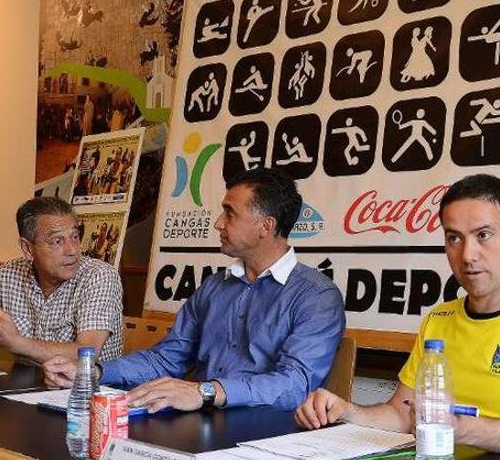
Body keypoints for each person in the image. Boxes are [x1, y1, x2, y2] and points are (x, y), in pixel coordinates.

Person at [295, 174, 500, 460]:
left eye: (483, 235)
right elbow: (403, 414)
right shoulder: (438, 319)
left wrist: (465, 428)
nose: (467, 254)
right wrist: (347, 411)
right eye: (454, 238)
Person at [43, 167, 345, 413]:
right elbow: (165, 359)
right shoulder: (215, 287)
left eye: (229, 213)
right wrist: (94, 372)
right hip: (200, 422)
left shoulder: (316, 297)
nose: (217, 223)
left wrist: (205, 392)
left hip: (266, 434)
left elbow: (294, 386)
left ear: (265, 226)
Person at [0, 197, 124, 364]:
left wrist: (15, 342)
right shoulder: (7, 275)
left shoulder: (99, 275)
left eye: (75, 236)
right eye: (57, 241)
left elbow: (87, 353)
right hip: (27, 390)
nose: (72, 250)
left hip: (89, 394)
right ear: (28, 249)